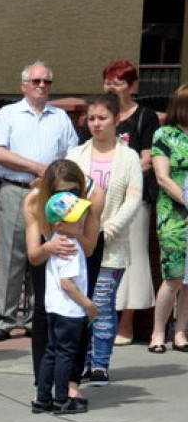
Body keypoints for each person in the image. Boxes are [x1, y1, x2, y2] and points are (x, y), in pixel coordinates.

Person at [0, 61, 79, 342]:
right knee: (11, 256)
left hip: (50, 194)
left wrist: (53, 177)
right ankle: (3, 318)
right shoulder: (8, 114)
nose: (41, 86)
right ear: (23, 85)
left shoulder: (60, 117)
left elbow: (71, 155)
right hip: (16, 189)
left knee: (44, 254)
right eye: (36, 81)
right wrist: (37, 168)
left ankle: (35, 316)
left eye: (47, 82)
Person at [66, 92, 142, 384]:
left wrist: (107, 229)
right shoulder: (76, 154)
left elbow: (132, 200)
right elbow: (67, 196)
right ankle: (81, 363)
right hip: (80, 243)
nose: (96, 124)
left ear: (116, 118)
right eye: (92, 119)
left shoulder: (129, 156)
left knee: (102, 302)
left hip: (112, 244)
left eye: (103, 118)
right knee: (82, 303)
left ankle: (100, 363)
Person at [23, 155, 103, 407]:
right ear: (49, 192)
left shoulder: (94, 196)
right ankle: (43, 389)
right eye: (61, 193)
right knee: (44, 316)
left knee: (77, 322)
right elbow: (34, 255)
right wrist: (50, 246)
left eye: (74, 191)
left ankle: (70, 384)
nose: (68, 198)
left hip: (79, 248)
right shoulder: (34, 201)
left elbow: (89, 248)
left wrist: (74, 232)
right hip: (50, 251)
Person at [98, 61, 160, 345]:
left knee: (132, 258)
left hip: (134, 198)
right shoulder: (99, 114)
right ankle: (101, 317)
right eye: (108, 81)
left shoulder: (144, 116)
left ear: (133, 86)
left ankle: (126, 323)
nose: (112, 87)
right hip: (101, 197)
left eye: (119, 82)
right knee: (101, 258)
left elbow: (147, 159)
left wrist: (121, 178)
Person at [33, 189, 97, 415]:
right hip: (70, 310)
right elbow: (67, 283)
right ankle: (61, 399)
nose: (81, 220)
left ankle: (42, 398)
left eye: (81, 214)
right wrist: (88, 304)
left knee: (52, 351)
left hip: (54, 308)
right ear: (60, 225)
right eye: (74, 218)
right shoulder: (71, 246)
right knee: (65, 354)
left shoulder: (56, 241)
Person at [148, 84, 188, 352]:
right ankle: (158, 332)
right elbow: (163, 177)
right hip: (173, 213)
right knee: (173, 276)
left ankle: (181, 332)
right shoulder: (165, 134)